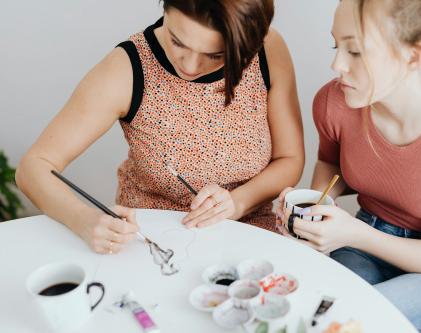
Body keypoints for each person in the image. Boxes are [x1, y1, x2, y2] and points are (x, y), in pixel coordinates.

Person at [276, 0, 421, 331]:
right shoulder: (334, 102)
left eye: (355, 52)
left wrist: (352, 232)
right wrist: (313, 209)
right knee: (301, 309)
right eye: (336, 45)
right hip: (365, 242)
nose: (336, 64)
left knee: (353, 321)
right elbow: (331, 164)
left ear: (414, 56)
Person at [16, 0, 304, 255]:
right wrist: (84, 219)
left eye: (216, 55)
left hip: (253, 232)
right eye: (177, 41)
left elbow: (289, 159)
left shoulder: (268, 50)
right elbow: (34, 167)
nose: (190, 67)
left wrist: (237, 203)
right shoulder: (127, 69)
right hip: (155, 241)